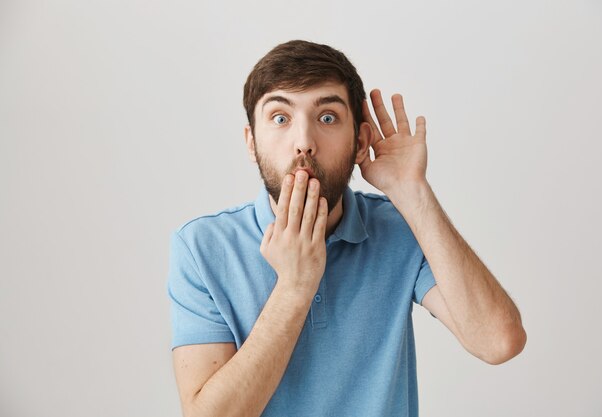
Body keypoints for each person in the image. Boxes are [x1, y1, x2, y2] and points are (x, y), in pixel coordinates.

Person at [167, 39, 527, 417]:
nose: (303, 142)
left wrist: (412, 191)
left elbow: (498, 342)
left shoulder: (402, 226)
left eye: (327, 118)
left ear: (360, 143)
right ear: (251, 143)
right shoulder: (201, 248)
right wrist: (294, 287)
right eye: (280, 118)